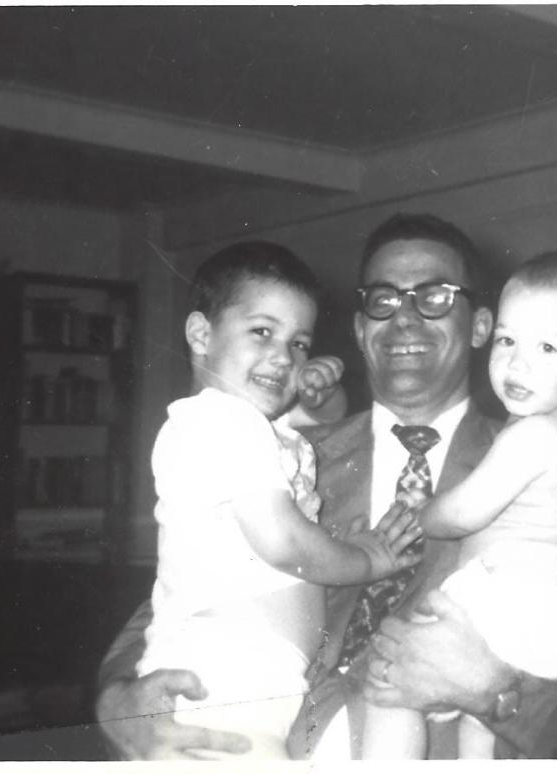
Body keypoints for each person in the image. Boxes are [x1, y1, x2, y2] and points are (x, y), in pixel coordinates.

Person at [95, 213, 557, 760]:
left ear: (481, 328)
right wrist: (119, 704)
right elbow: (168, 602)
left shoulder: (552, 480)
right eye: (383, 299)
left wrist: (497, 690)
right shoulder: (285, 456)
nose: (404, 318)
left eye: (435, 297)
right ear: (359, 329)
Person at [134, 240, 422, 759]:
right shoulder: (221, 420)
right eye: (262, 332)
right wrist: (369, 557)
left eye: (298, 344)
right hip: (222, 682)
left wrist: (319, 397)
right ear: (201, 334)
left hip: (261, 684)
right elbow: (283, 541)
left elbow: (305, 440)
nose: (282, 356)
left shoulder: (255, 430)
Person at [360, 251, 557, 758]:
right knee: (478, 738)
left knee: (389, 688)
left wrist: (423, 511)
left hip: (521, 611)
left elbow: (459, 515)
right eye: (508, 341)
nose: (517, 364)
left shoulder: (529, 436)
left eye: (546, 347)